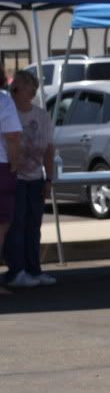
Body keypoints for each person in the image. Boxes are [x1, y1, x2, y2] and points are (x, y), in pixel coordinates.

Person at [4, 71, 55, 288]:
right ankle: (17, 271)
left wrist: (48, 179)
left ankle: (34, 269)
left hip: (35, 178)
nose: (14, 88)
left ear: (30, 91)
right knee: (16, 225)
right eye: (13, 85)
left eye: (20, 85)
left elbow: (49, 150)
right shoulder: (7, 110)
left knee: (33, 226)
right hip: (14, 177)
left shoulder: (41, 116)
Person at [0, 86, 21, 296]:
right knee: (1, 225)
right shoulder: (3, 101)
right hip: (1, 165)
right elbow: (13, 136)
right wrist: (15, 164)